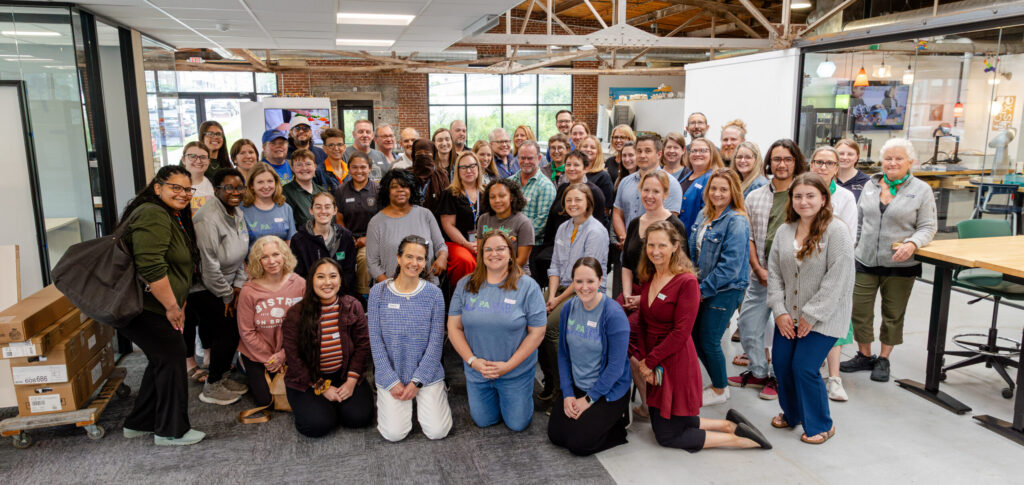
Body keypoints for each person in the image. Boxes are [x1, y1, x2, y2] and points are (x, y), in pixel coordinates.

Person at [632, 220, 771, 452]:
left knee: (667, 436)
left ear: (675, 246)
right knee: (667, 422)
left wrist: (650, 362)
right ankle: (728, 425)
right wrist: (647, 363)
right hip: (655, 362)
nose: (655, 251)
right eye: (651, 245)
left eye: (662, 245)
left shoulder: (686, 282)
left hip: (674, 360)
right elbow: (644, 323)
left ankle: (742, 440)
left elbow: (681, 333)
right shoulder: (649, 278)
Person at [118, 165, 206, 445]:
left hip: (154, 306)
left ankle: (140, 422)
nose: (182, 194)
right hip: (148, 308)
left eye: (187, 189)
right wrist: (172, 306)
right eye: (175, 187)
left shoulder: (170, 214)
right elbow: (152, 267)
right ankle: (171, 430)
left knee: (162, 359)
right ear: (158, 188)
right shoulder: (153, 214)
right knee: (171, 357)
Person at [767, 173, 854, 445]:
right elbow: (774, 274)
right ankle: (792, 414)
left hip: (824, 317)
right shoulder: (784, 230)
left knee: (804, 367)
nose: (803, 201)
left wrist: (811, 316)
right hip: (787, 316)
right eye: (798, 196)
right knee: (781, 365)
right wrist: (780, 311)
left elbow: (837, 279)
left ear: (824, 198)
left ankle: (821, 424)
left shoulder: (837, 231)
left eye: (810, 195)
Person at [842, 138, 936, 382]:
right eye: (888, 158)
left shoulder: (921, 189)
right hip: (864, 260)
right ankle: (864, 355)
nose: (892, 163)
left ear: (910, 162)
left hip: (900, 263)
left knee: (893, 313)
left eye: (899, 158)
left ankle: (884, 359)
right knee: (860, 311)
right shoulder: (870, 186)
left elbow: (927, 227)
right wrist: (854, 248)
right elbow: (860, 222)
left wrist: (913, 243)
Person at [729, 139, 808, 400]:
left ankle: (777, 377)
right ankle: (759, 371)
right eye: (777, 159)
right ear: (769, 162)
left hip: (794, 280)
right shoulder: (756, 196)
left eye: (787, 159)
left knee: (786, 332)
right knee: (748, 326)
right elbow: (749, 237)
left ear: (796, 161)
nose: (782, 164)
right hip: (760, 276)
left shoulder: (805, 194)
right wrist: (757, 268)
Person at [448, 230, 547, 431]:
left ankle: (518, 394)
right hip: (478, 372)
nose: (495, 254)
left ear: (510, 253)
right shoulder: (465, 285)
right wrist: (472, 361)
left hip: (514, 371)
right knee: (483, 421)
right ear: (481, 255)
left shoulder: (528, 287)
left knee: (517, 424)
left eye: (501, 249)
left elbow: (537, 332)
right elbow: (454, 328)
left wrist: (508, 366)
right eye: (489, 249)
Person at [368, 236, 453, 441]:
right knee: (394, 434)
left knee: (437, 432)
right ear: (398, 258)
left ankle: (431, 395)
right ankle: (393, 398)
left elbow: (435, 344)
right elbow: (376, 342)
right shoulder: (377, 292)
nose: (414, 263)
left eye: (420, 258)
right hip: (392, 374)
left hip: (427, 374)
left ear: (425, 262)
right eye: (409, 256)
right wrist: (391, 381)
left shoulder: (434, 294)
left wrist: (417, 382)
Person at [547, 257, 631, 456]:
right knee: (556, 436)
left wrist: (588, 400)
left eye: (590, 281)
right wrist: (567, 393)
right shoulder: (568, 308)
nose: (584, 287)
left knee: (579, 445)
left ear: (601, 280)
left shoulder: (613, 314)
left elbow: (616, 367)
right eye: (579, 282)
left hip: (608, 389)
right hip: (578, 384)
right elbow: (563, 355)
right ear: (573, 282)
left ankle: (618, 423)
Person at [620, 172, 689, 414]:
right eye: (645, 190)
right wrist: (628, 296)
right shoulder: (634, 223)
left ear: (666, 195)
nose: (649, 196)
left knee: (627, 340)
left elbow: (679, 271)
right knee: (609, 327)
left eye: (656, 191)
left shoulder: (674, 225)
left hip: (659, 296)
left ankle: (649, 402)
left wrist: (643, 299)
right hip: (632, 293)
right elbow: (627, 264)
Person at [282, 258, 374, 437]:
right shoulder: (295, 315)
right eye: (321, 277)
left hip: (344, 375)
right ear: (311, 281)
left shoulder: (352, 306)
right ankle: (323, 408)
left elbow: (363, 346)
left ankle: (333, 406)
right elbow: (294, 359)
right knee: (318, 426)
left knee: (360, 418)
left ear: (340, 280)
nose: (327, 282)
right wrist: (322, 387)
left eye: (333, 276)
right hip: (309, 380)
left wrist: (351, 382)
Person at [687, 169, 750, 407]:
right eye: (713, 188)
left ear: (733, 192)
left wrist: (702, 291)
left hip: (725, 290)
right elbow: (695, 252)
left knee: (709, 339)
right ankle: (717, 381)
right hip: (702, 286)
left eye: (724, 189)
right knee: (695, 336)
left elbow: (730, 267)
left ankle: (720, 388)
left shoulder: (736, 221)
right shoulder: (705, 214)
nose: (717, 193)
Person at [541, 184, 610, 400]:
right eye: (569, 200)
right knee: (531, 317)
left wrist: (558, 299)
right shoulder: (563, 228)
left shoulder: (596, 231)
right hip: (560, 287)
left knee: (550, 329)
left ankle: (562, 390)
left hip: (585, 290)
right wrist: (551, 296)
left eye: (578, 200)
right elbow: (555, 267)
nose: (572, 204)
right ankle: (550, 378)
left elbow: (585, 277)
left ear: (588, 202)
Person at [192, 168, 250, 406]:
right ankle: (212, 386)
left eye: (239, 187)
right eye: (229, 188)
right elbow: (209, 266)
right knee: (227, 331)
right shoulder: (206, 218)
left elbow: (240, 252)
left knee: (230, 331)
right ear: (216, 190)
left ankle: (222, 378)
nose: (235, 192)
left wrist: (238, 285)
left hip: (228, 284)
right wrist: (227, 296)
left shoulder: (237, 212)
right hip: (205, 287)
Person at [808, 146, 858, 402]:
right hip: (805, 269)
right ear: (811, 164)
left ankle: (835, 378)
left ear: (837, 168)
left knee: (833, 322)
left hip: (834, 268)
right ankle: (812, 370)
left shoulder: (846, 198)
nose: (823, 167)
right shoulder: (802, 191)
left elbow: (848, 237)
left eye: (829, 163)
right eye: (818, 162)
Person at [237, 235, 306, 408]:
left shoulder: (299, 284)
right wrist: (270, 359)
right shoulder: (249, 291)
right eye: (265, 257)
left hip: (289, 350)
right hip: (258, 352)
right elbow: (247, 331)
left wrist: (283, 355)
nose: (271, 261)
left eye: (276, 254)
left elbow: (305, 325)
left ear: (284, 255)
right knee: (266, 400)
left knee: (298, 391)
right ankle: (243, 365)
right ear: (257, 261)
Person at [533, 150, 609, 290]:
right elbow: (551, 221)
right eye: (568, 164)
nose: (571, 168)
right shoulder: (562, 188)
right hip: (560, 244)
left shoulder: (595, 193)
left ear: (586, 168)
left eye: (576, 165)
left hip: (581, 250)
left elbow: (594, 224)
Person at [365, 169, 448, 285]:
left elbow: (441, 246)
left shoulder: (426, 214)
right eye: (394, 187)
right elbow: (372, 263)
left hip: (427, 287)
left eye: (405, 186)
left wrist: (442, 257)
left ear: (411, 190)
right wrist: (392, 288)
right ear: (387, 191)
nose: (400, 190)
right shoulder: (376, 222)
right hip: (391, 289)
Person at [612, 135, 683, 250]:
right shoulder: (625, 182)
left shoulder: (671, 184)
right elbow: (617, 213)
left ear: (659, 154)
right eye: (639, 151)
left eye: (648, 151)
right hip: (627, 250)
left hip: (655, 252)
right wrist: (626, 238)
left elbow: (669, 221)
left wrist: (643, 243)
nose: (642, 155)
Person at [290, 192, 356, 297]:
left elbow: (349, 273)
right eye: (318, 207)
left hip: (340, 295)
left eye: (327, 207)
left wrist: (337, 296)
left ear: (335, 210)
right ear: (311, 210)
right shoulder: (299, 240)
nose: (323, 211)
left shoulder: (345, 237)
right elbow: (299, 275)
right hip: (311, 297)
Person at [334, 153, 378, 297]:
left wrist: (367, 239)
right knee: (338, 259)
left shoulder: (378, 190)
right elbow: (339, 217)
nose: (359, 171)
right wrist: (347, 237)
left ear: (370, 169)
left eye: (363, 167)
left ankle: (364, 297)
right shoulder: (341, 191)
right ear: (349, 169)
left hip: (371, 239)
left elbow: (383, 220)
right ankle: (342, 296)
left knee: (364, 259)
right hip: (346, 238)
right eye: (354, 167)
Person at [439, 151, 484, 285]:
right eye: (463, 167)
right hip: (457, 243)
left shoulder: (487, 192)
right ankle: (462, 300)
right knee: (465, 261)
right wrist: (467, 244)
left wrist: (482, 244)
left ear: (478, 168)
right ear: (457, 171)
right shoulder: (450, 193)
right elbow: (448, 225)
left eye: (472, 166)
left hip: (482, 242)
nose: (468, 170)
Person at [476, 179, 535, 275]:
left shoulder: (523, 223)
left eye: (502, 196)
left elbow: (521, 260)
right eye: (492, 197)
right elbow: (480, 255)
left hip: (515, 273)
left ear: (511, 197)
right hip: (488, 273)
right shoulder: (483, 219)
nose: (497, 200)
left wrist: (498, 273)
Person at [507, 140, 555, 246]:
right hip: (506, 241)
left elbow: (541, 222)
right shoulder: (509, 182)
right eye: (522, 158)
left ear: (538, 159)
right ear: (518, 158)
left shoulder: (545, 187)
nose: (526, 161)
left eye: (530, 158)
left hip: (531, 246)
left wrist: (514, 238)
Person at [241, 163, 296, 245]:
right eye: (260, 182)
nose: (266, 186)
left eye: (270, 181)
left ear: (275, 182)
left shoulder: (285, 208)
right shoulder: (241, 210)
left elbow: (290, 241)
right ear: (252, 185)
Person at [678, 138, 725, 233]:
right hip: (679, 234)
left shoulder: (712, 178)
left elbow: (710, 213)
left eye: (703, 151)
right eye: (694, 151)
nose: (697, 154)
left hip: (695, 236)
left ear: (712, 154)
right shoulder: (686, 175)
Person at [283, 148, 326, 228]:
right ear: (292, 168)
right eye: (299, 165)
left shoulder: (323, 192)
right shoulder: (285, 193)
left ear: (315, 167)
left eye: (308, 164)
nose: (304, 168)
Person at [411, 138, 451, 211]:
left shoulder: (441, 177)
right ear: (414, 155)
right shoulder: (406, 175)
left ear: (433, 155)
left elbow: (447, 205)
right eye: (419, 154)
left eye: (427, 153)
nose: (423, 156)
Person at [180, 141, 214, 215]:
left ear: (209, 160)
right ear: (183, 160)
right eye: (192, 156)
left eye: (203, 157)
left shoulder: (215, 184)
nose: (198, 161)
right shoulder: (175, 186)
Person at [579, 135, 614, 206]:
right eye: (585, 146)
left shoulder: (603, 176)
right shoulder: (574, 172)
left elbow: (606, 206)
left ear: (598, 152)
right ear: (579, 149)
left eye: (593, 147)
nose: (588, 149)